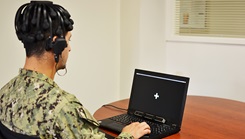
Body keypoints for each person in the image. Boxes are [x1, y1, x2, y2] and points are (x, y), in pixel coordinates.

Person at [0, 1, 151, 139]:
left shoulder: (5, 93)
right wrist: (128, 135)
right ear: (56, 44)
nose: (70, 48)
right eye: (68, 40)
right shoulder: (63, 108)